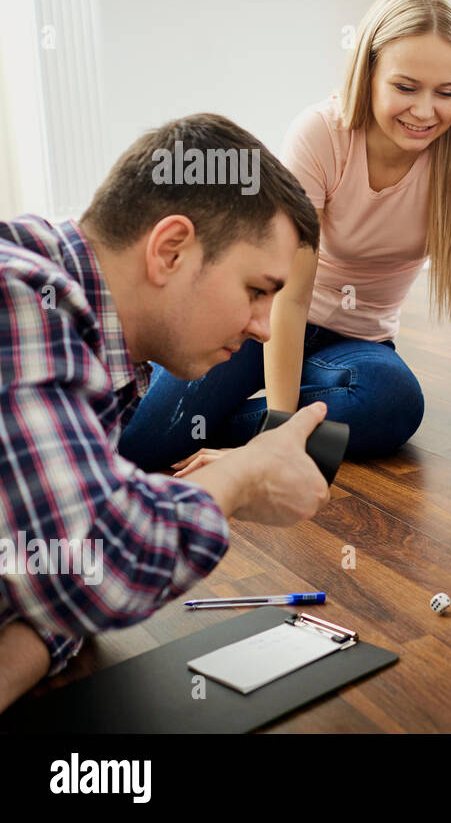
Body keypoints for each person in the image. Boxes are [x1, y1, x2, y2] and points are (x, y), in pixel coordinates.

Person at [120, 0, 451, 474]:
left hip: (356, 344)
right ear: (369, 74)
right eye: (406, 87)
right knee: (140, 446)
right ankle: (242, 419)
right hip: (259, 325)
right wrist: (282, 430)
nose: (425, 111)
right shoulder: (320, 135)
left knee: (392, 406)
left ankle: (243, 431)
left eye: (446, 92)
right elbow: (289, 294)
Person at [0, 113, 332, 712]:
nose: (264, 327)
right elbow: (99, 570)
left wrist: (34, 627)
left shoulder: (84, 330)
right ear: (171, 250)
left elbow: (55, 594)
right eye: (257, 290)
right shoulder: (18, 298)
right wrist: (242, 474)